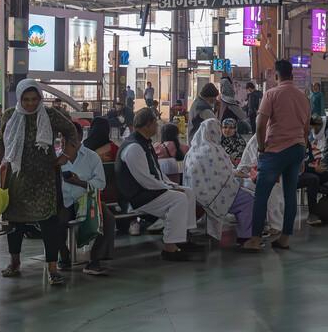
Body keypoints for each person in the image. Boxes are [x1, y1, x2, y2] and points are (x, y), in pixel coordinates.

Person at [0, 79, 79, 285]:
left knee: (48, 222)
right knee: (15, 222)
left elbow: (71, 131)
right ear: (19, 98)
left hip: (44, 177)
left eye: (34, 99)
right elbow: (2, 140)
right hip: (16, 176)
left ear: (40, 98)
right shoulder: (10, 115)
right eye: (26, 99)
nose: (30, 104)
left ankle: (52, 267)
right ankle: (14, 262)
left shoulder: (50, 114)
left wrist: (67, 154)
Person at [115, 109, 201, 261]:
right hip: (135, 197)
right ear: (148, 125)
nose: (158, 126)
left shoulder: (144, 143)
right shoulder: (134, 147)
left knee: (188, 192)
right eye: (156, 122)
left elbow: (157, 173)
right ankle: (170, 248)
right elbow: (145, 180)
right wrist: (170, 188)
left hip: (147, 191)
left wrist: (172, 185)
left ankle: (184, 238)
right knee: (179, 199)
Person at [242, 59, 309, 251]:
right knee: (290, 195)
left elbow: (260, 125)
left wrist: (262, 148)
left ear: (277, 76)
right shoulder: (303, 97)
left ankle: (254, 240)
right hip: (297, 149)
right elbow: (305, 129)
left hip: (275, 152)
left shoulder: (271, 94)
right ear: (292, 75)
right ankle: (285, 238)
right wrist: (302, 153)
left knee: (261, 195)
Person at [185, 117, 256, 246]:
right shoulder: (214, 150)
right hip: (215, 195)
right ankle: (245, 237)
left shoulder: (192, 151)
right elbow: (228, 173)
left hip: (196, 195)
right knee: (249, 199)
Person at [58, 136, 113, 275]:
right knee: (54, 219)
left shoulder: (91, 157)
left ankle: (95, 260)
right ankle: (63, 256)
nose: (64, 145)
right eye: (62, 141)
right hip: (64, 202)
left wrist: (79, 182)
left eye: (68, 141)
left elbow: (101, 184)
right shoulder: (57, 158)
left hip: (87, 200)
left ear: (77, 141)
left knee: (107, 217)